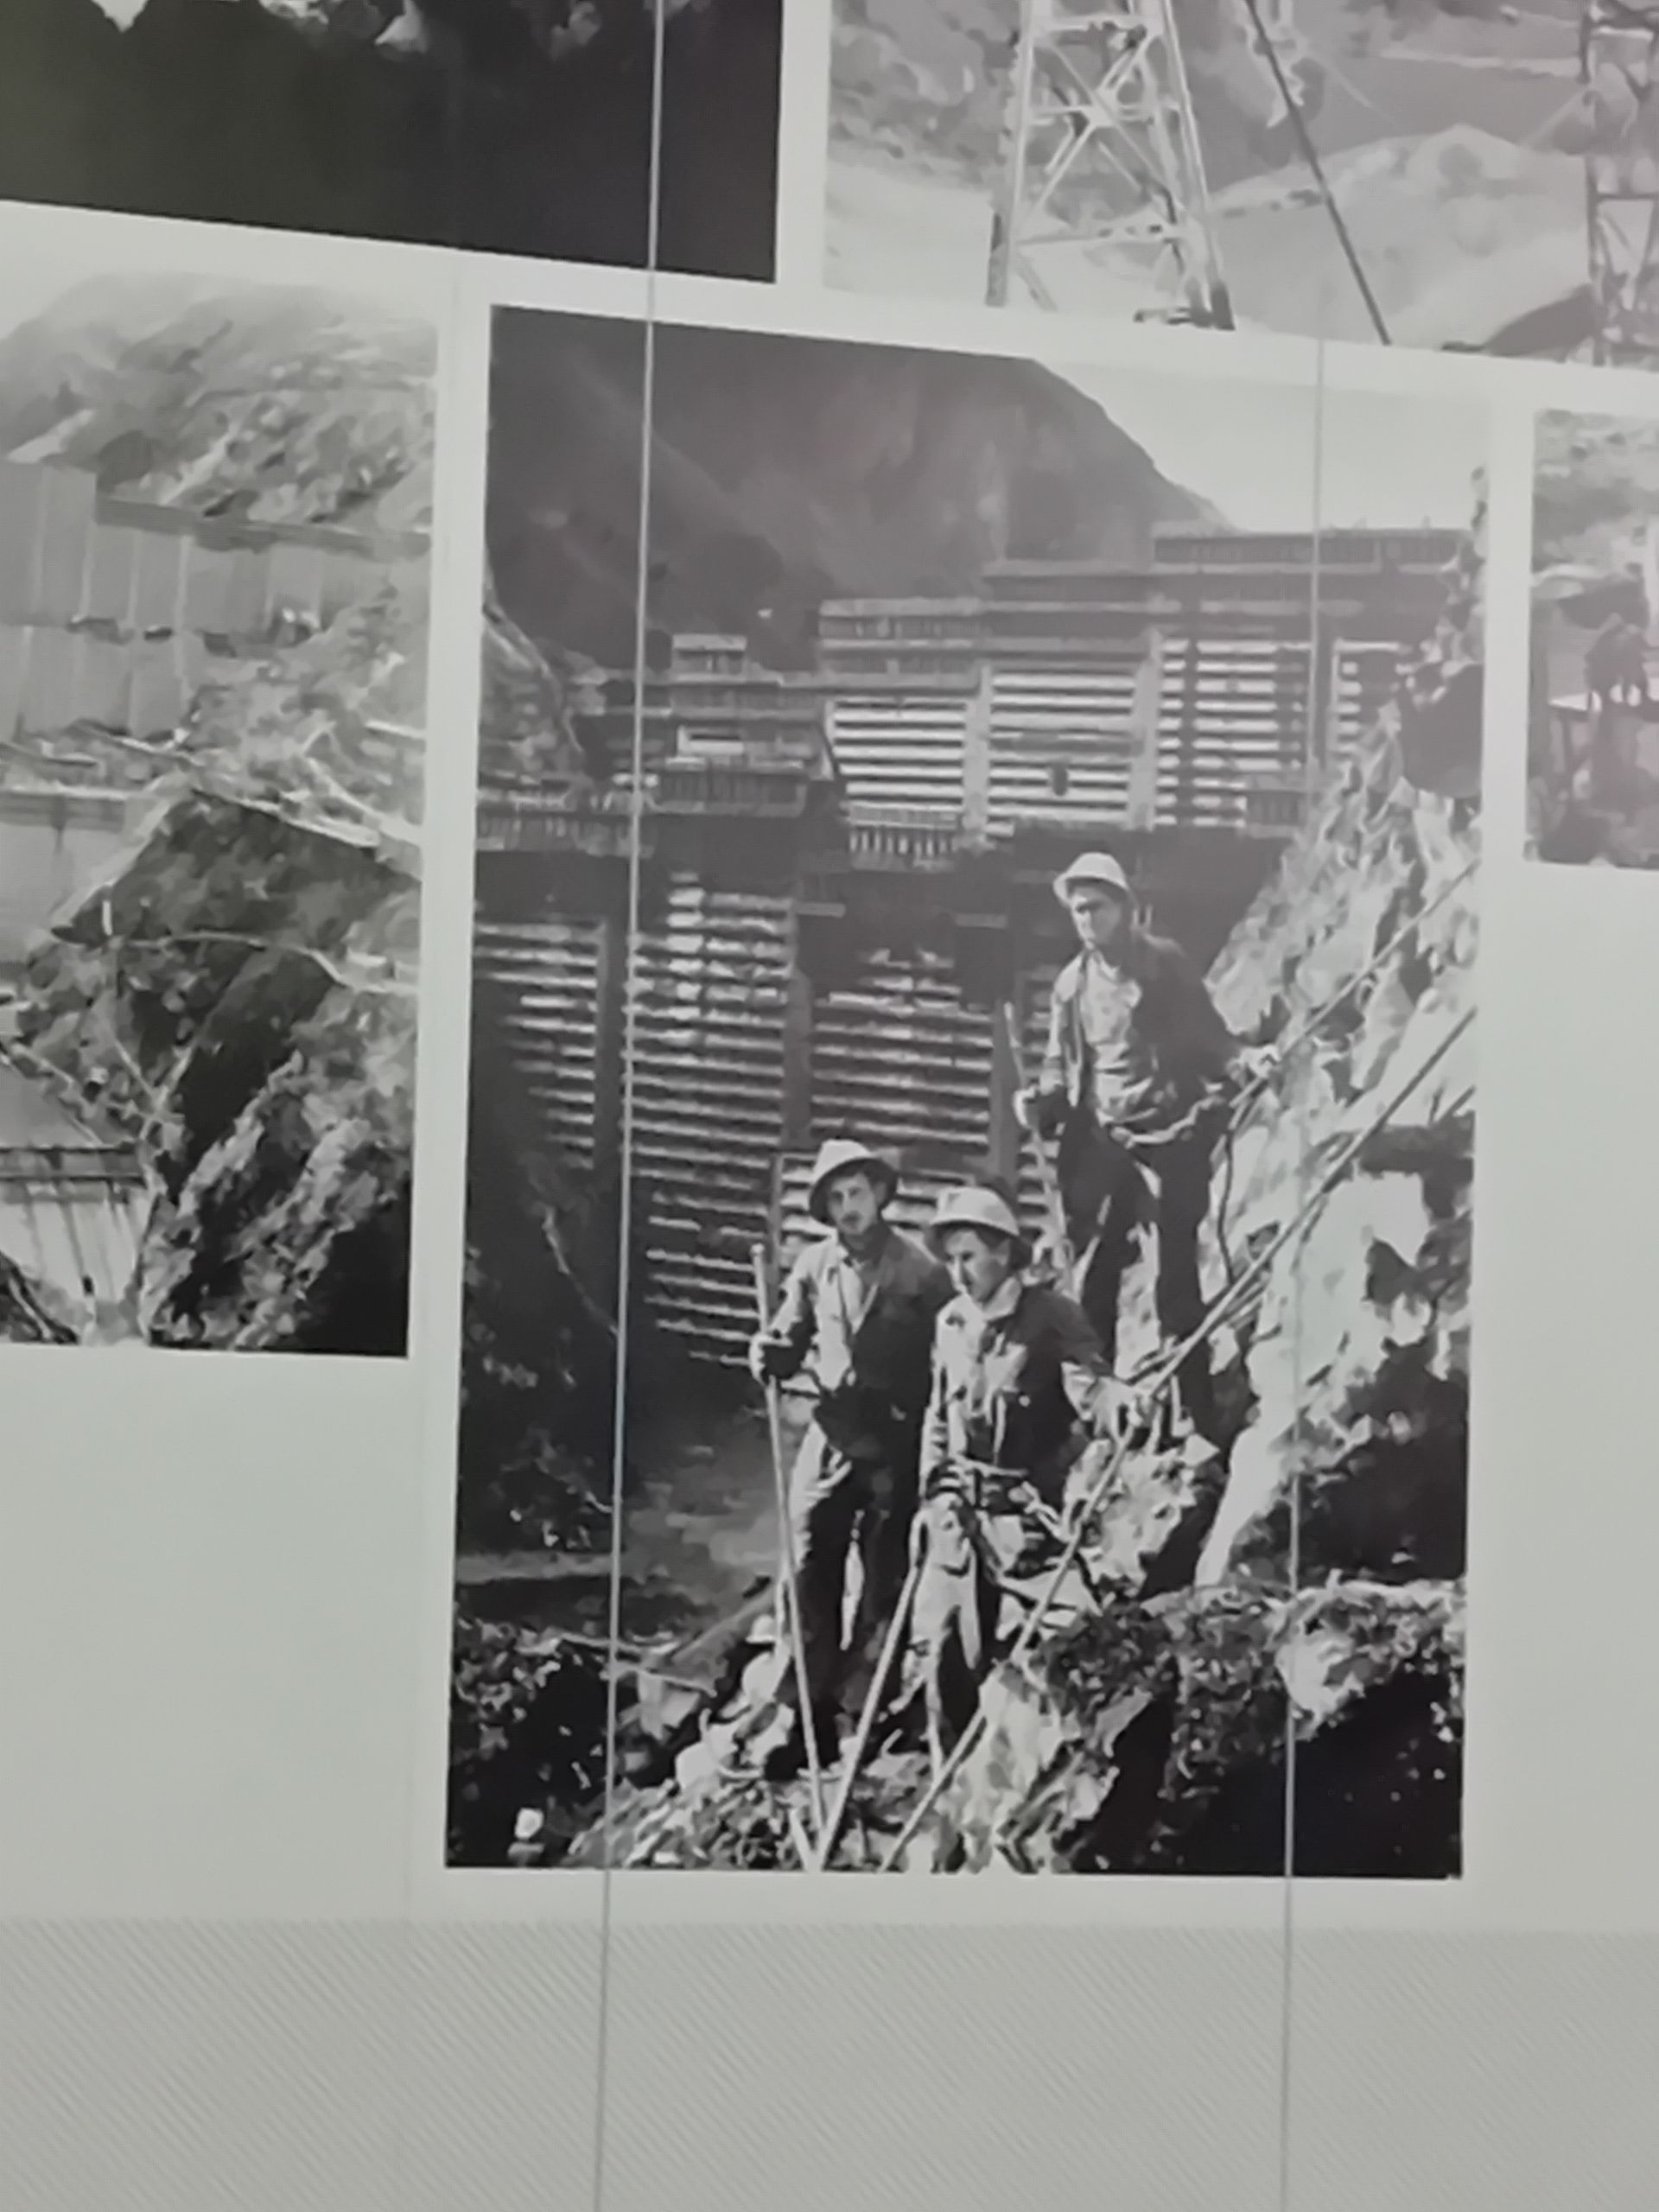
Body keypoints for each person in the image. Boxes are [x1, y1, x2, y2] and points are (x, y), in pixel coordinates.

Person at [1015, 850, 1240, 1446]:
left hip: (1167, 1138)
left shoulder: (1164, 967)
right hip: (1102, 1145)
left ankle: (1192, 1413)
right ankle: (1101, 1409)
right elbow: (1061, 1070)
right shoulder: (1071, 986)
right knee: (1092, 1281)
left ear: (1124, 907)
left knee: (1174, 1280)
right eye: (1078, 911)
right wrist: (1040, 1102)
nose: (1087, 921)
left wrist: (1243, 1061)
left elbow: (1210, 1036)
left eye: (1097, 908)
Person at [749, 1137, 950, 1770]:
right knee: (809, 1568)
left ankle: (858, 1711)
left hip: (894, 1444)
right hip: (832, 1436)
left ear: (881, 1194)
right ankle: (801, 1713)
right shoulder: (813, 1267)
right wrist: (769, 1350)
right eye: (835, 1199)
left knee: (883, 1578)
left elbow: (950, 1361)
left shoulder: (922, 1273)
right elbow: (789, 1331)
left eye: (856, 1193)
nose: (848, 1209)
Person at [909, 1183, 1121, 1763]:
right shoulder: (951, 1322)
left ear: (1004, 1253)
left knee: (1077, 1637)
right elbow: (938, 1410)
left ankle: (1069, 1767)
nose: (956, 1272)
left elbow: (1090, 1387)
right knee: (948, 1655)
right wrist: (933, 1487)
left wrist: (1118, 1402)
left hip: (1025, 1518)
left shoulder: (1052, 1318)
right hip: (958, 1514)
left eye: (968, 1257)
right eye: (950, 1259)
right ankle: (951, 1781)